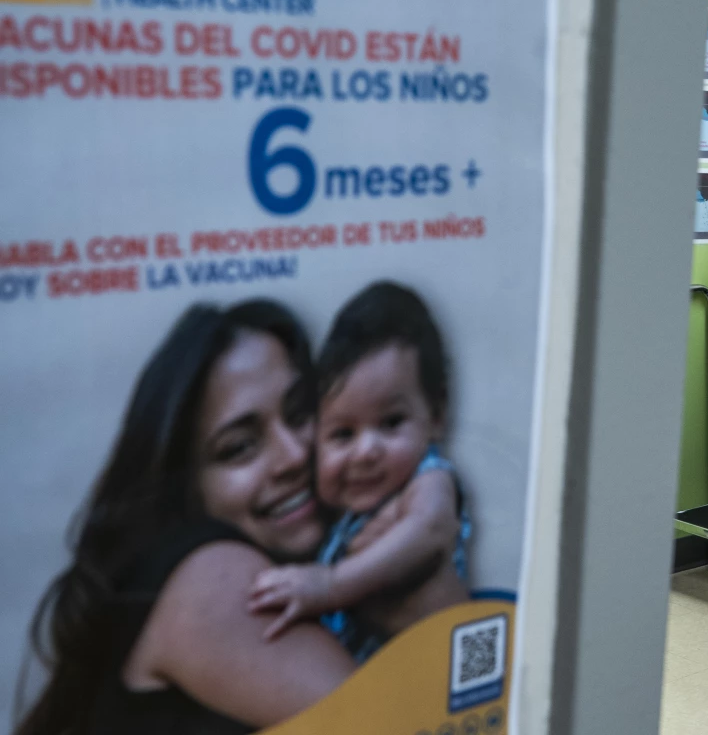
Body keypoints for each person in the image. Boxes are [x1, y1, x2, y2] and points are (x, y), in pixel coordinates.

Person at [16, 300, 359, 734]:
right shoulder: (211, 575)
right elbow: (417, 724)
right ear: (185, 492)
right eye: (238, 448)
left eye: (299, 413)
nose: (293, 455)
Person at [249, 282, 469, 661]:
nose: (366, 452)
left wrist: (331, 586)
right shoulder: (338, 519)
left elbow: (430, 530)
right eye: (343, 434)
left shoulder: (429, 478)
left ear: (435, 416)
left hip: (432, 673)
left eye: (391, 422)